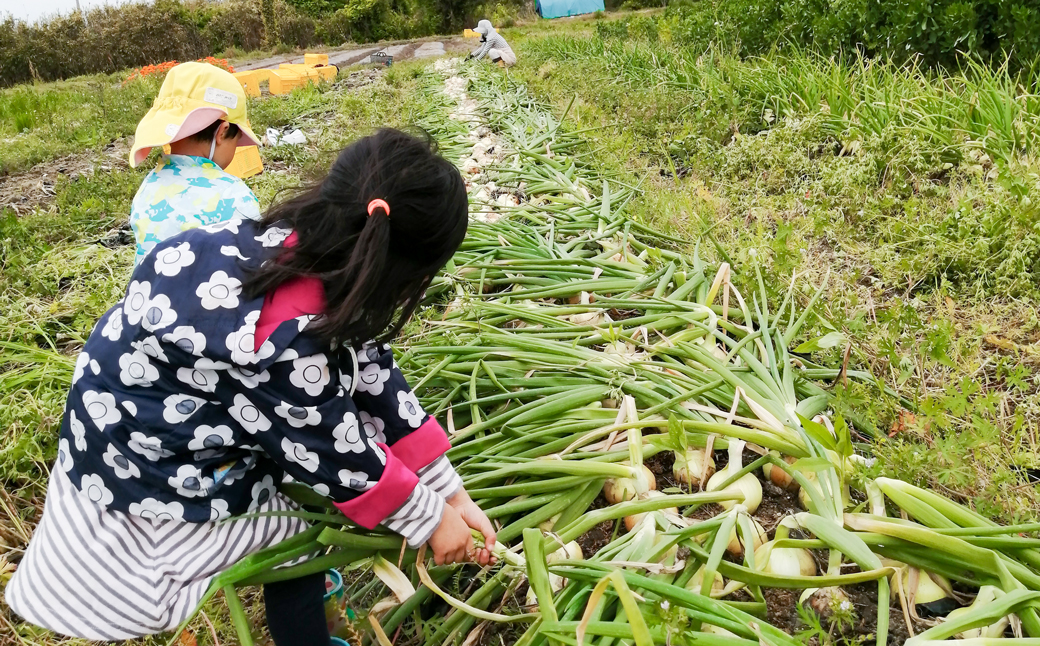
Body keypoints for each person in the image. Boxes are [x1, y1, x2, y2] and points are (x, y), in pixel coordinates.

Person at [4, 129, 495, 646]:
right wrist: (431, 520)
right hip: (145, 460)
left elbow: (371, 371)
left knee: (305, 492)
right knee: (297, 529)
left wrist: (450, 490)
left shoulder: (296, 245)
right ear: (399, 272)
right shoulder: (280, 345)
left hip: (133, 412)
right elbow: (338, 457)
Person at [128, 61, 264, 267]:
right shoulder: (232, 194)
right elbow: (255, 263)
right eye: (237, 141)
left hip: (149, 287)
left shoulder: (147, 189)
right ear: (223, 132)